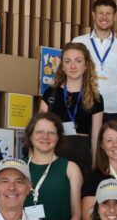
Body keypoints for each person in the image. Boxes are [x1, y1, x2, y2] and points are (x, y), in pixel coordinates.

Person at [39, 42, 104, 172]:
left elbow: (96, 137)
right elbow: (39, 130)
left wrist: (95, 166)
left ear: (86, 65)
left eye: (78, 61)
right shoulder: (50, 94)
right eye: (68, 61)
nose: (73, 66)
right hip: (53, 156)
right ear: (62, 66)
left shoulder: (96, 98)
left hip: (82, 157)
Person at [22, 112, 84, 220]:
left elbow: (77, 214)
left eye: (51, 133)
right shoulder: (18, 167)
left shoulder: (70, 168)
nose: (45, 137)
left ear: (58, 137)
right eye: (39, 132)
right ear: (30, 135)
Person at [71, 0, 117, 122]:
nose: (104, 17)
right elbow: (69, 75)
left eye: (108, 13)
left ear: (115, 17)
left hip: (113, 110)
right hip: (83, 106)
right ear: (94, 15)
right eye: (100, 13)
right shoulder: (78, 42)